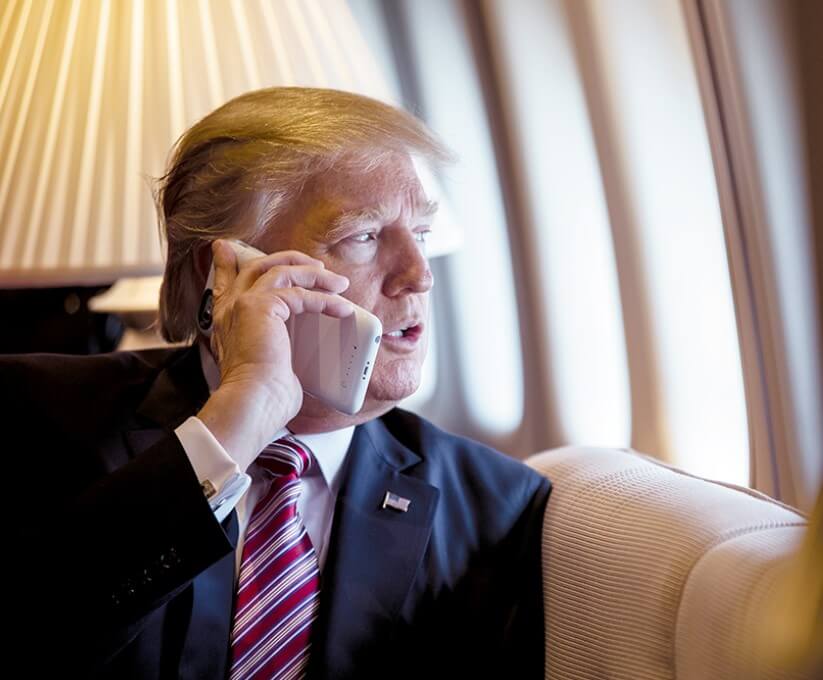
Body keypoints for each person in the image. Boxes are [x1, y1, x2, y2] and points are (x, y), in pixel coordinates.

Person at [6, 87, 551, 679]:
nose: (419, 276)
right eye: (363, 236)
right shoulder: (35, 411)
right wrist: (245, 411)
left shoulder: (497, 504)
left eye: (420, 233)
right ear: (224, 271)